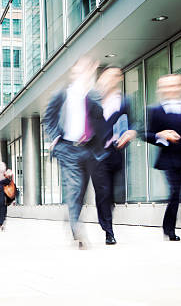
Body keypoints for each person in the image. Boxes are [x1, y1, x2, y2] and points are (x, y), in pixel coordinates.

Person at [42, 57, 108, 249]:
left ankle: (72, 218)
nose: (85, 72)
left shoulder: (93, 95)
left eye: (88, 69)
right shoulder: (62, 94)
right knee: (74, 188)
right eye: (81, 69)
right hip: (68, 148)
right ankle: (76, 229)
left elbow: (99, 118)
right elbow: (49, 118)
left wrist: (89, 92)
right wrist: (55, 137)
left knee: (81, 193)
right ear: (74, 72)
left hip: (88, 150)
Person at [144, 74, 181, 242]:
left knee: (177, 193)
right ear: (160, 90)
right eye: (166, 87)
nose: (171, 89)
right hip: (168, 158)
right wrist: (161, 135)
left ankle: (169, 225)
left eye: (174, 85)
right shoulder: (154, 110)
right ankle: (169, 229)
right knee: (175, 191)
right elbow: (145, 134)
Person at [90, 67, 137, 245]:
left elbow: (133, 123)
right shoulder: (92, 100)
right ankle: (108, 231)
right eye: (106, 77)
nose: (109, 81)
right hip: (96, 155)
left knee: (113, 195)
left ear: (119, 79)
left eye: (113, 77)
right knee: (102, 193)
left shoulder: (125, 101)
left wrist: (132, 132)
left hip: (116, 153)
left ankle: (107, 217)